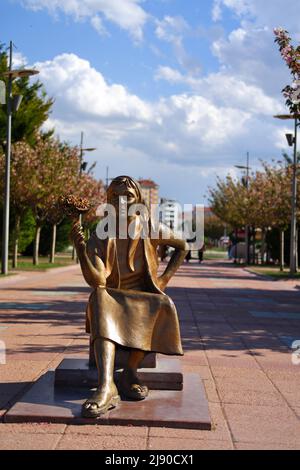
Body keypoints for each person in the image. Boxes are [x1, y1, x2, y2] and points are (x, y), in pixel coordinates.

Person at [72, 176, 188, 418]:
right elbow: (98, 280)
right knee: (99, 298)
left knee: (163, 305)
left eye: (128, 197)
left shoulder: (150, 227)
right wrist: (82, 252)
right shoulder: (102, 233)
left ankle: (130, 372)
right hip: (112, 296)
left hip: (143, 296)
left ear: (138, 200)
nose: (122, 201)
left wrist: (163, 281)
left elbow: (182, 245)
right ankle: (106, 385)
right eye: (115, 197)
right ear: (109, 201)